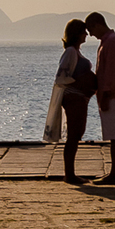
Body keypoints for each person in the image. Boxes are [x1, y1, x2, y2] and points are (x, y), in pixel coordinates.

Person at [42, 18, 95, 183]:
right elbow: (61, 77)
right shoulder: (71, 52)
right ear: (76, 33)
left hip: (79, 98)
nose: (86, 34)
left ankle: (71, 173)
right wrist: (79, 82)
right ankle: (70, 174)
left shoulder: (75, 52)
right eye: (83, 31)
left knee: (77, 133)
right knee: (73, 135)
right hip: (73, 97)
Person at [85, 11, 115, 183]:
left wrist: (105, 95)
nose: (90, 34)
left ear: (97, 25)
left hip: (113, 95)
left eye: (90, 29)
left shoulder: (111, 42)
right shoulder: (109, 41)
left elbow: (110, 72)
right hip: (114, 94)